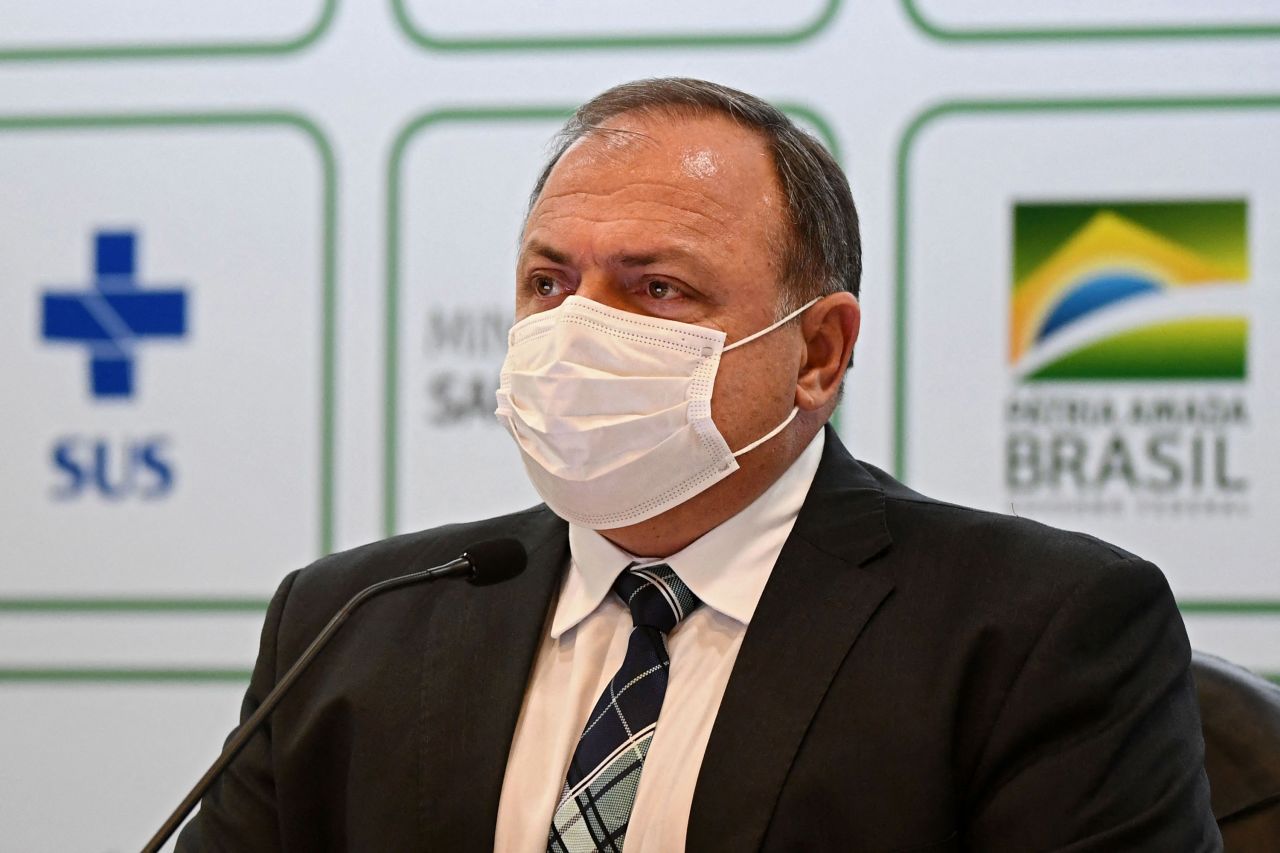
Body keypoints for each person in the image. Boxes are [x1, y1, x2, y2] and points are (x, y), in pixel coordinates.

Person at [178, 78, 1220, 851]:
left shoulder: (1035, 629)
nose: (576, 325)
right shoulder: (351, 621)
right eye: (548, 281)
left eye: (656, 289)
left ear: (817, 352)